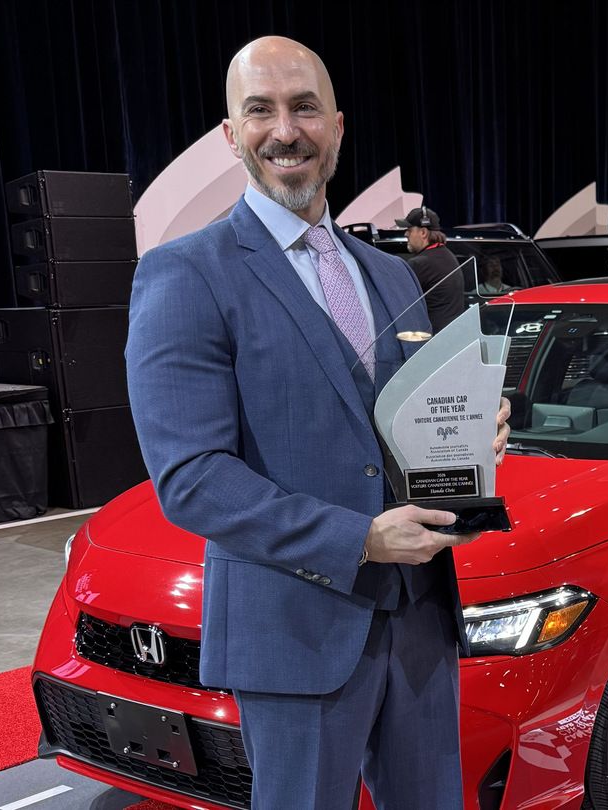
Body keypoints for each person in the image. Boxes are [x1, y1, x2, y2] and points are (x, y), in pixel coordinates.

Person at [125, 37, 509, 809]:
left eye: (304, 107)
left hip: (420, 620)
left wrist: (469, 431)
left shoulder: (388, 271)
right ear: (231, 135)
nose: (285, 130)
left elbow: (397, 432)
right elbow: (192, 480)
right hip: (293, 634)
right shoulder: (186, 274)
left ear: (337, 126)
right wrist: (359, 540)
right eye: (259, 110)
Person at [399, 206, 465, 332]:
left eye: (410, 229)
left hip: (431, 342)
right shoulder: (449, 256)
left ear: (423, 232)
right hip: (452, 337)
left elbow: (399, 306)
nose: (406, 234)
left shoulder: (419, 264)